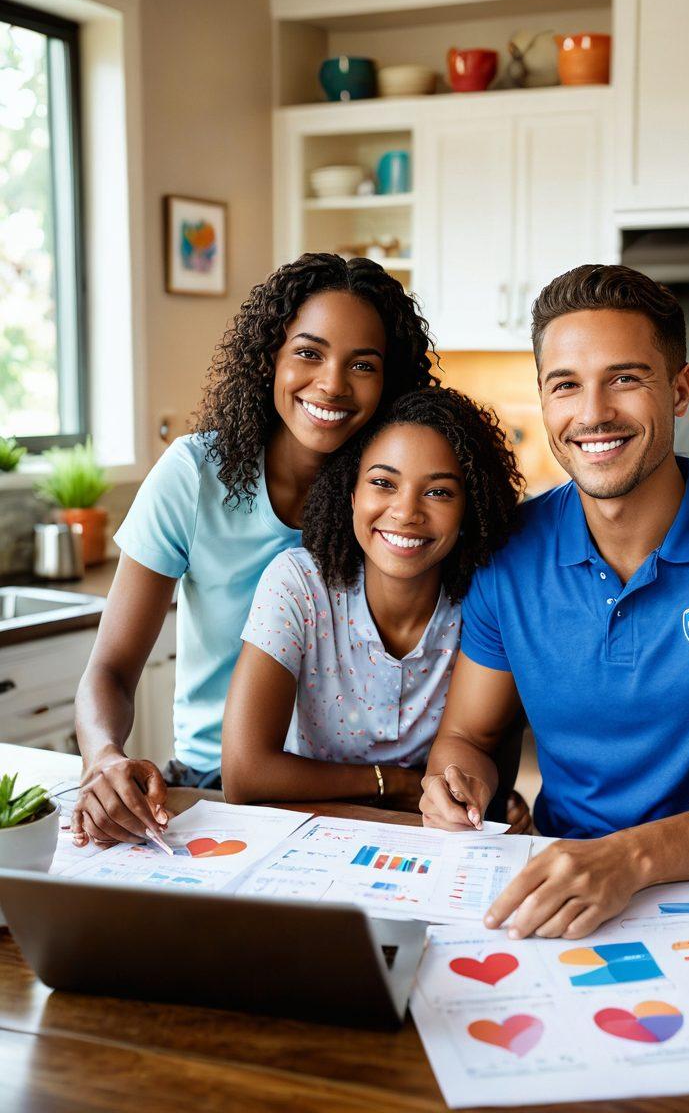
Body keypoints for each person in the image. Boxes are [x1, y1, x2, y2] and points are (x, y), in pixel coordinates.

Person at [420, 263, 689, 939]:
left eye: (625, 378)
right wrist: (455, 787)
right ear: (544, 400)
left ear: (680, 389)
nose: (593, 412)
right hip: (568, 897)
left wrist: (627, 859)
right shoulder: (507, 551)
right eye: (566, 386)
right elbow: (468, 737)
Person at [72, 253, 437, 847]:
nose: (332, 384)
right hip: (214, 786)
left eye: (362, 365)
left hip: (353, 785)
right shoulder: (194, 476)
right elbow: (110, 669)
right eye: (309, 352)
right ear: (271, 356)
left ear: (389, 382)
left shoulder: (393, 503)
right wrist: (103, 757)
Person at [222, 386, 530, 826]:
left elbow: (489, 762)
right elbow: (244, 775)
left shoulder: (486, 602)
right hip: (309, 833)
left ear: (469, 510)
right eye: (383, 483)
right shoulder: (298, 584)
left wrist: (489, 801)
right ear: (351, 495)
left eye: (439, 492)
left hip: (430, 841)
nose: (406, 512)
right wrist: (397, 783)